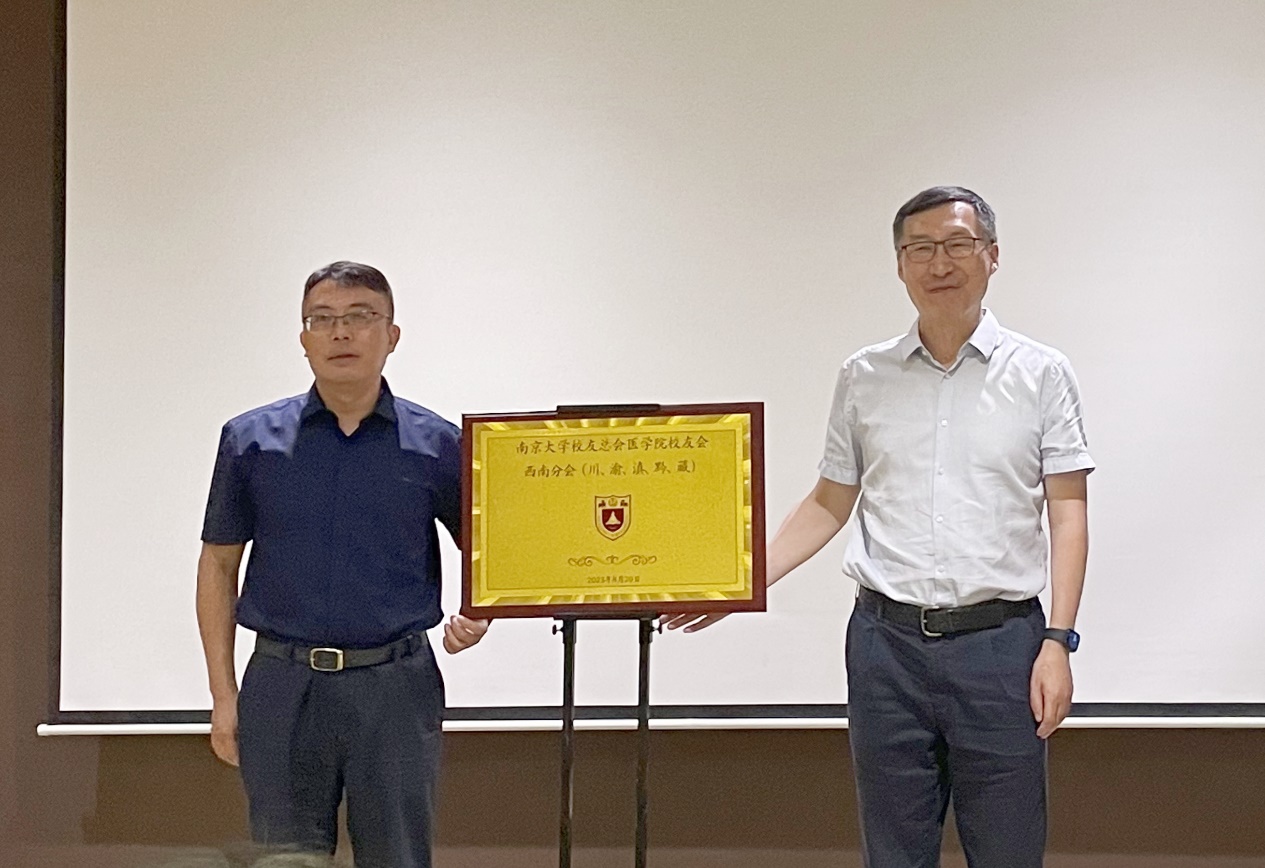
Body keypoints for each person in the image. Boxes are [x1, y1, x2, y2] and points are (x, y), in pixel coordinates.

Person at [665, 187, 1093, 867]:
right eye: (919, 249)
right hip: (885, 648)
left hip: (1001, 646)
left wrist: (1057, 642)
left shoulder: (1041, 374)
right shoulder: (864, 375)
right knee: (893, 853)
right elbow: (828, 502)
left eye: (957, 244)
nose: (939, 263)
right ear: (899, 265)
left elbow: (1067, 513)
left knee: (1008, 850)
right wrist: (741, 582)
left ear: (992, 255)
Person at [196, 261, 489, 868]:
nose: (341, 333)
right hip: (282, 684)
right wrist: (224, 696)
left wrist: (479, 613)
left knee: (398, 857)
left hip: (396, 685)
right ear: (303, 338)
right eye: (322, 319)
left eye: (361, 316)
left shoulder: (439, 444)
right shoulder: (250, 441)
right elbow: (219, 566)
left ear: (392, 335)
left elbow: (490, 551)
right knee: (283, 859)